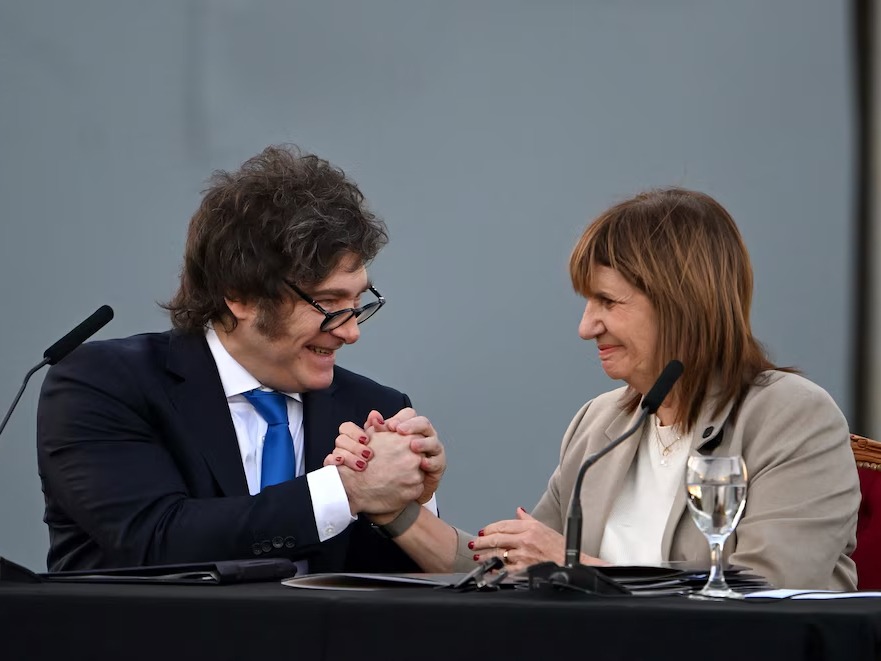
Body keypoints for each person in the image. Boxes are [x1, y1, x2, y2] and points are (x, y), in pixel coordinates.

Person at [334, 187, 861, 590]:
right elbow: (510, 572)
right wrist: (393, 506)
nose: (587, 327)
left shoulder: (792, 416)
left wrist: (576, 569)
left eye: (608, 302)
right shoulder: (602, 422)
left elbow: (766, 593)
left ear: (681, 302)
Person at [36, 144, 447, 573]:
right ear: (240, 296)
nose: (351, 332)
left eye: (358, 303)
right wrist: (346, 491)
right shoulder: (102, 384)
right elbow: (152, 541)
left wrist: (407, 496)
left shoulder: (374, 410)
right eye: (328, 303)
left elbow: (399, 590)